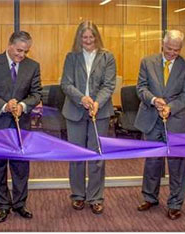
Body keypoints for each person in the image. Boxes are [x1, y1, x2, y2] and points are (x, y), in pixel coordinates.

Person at [0, 31, 42, 223]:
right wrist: (5, 106)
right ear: (10, 45)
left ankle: (20, 204)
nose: (21, 55)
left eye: (25, 51)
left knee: (21, 167)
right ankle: (3, 205)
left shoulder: (33, 66)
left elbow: (36, 93)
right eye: (19, 50)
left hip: (20, 125)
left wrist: (22, 106)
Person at [134, 30, 185, 220]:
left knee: (177, 164)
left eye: (176, 50)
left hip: (175, 120)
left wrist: (170, 107)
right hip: (151, 119)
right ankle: (150, 197)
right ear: (163, 44)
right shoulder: (147, 62)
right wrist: (153, 100)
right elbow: (141, 87)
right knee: (152, 161)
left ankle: (175, 203)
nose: (172, 53)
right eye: (169, 49)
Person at [60, 20, 116, 215]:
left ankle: (95, 197)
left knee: (97, 157)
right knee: (76, 156)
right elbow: (66, 84)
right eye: (84, 37)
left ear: (97, 37)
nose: (88, 40)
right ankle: (77, 196)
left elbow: (109, 85)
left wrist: (96, 103)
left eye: (91, 37)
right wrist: (82, 98)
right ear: (79, 38)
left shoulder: (107, 57)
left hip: (99, 113)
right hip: (75, 111)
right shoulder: (71, 57)